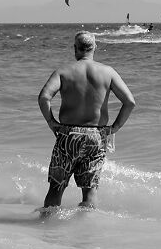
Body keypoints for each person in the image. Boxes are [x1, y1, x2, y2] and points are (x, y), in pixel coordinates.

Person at [38, 31, 136, 211]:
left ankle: (47, 228)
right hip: (96, 136)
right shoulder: (108, 72)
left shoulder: (63, 71)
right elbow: (130, 102)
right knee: (90, 190)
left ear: (75, 49)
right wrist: (114, 128)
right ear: (95, 48)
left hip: (68, 135)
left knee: (56, 187)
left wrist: (51, 122)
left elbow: (44, 98)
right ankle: (87, 233)